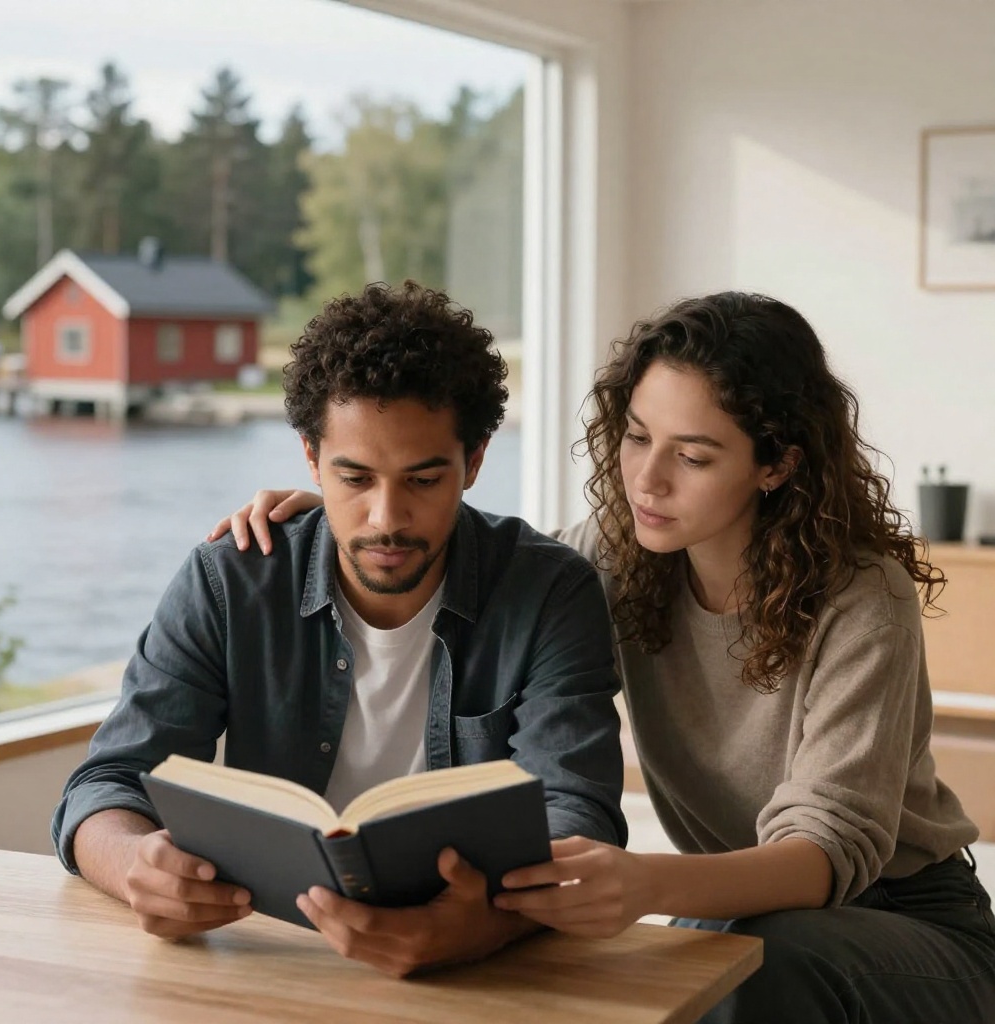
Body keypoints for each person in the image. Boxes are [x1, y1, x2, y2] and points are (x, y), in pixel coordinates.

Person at [216, 291, 995, 1021]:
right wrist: (350, 523)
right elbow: (493, 573)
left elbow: (827, 848)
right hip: (742, 911)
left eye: (693, 457)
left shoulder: (863, 596)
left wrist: (646, 883)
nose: (647, 480)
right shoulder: (615, 556)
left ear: (777, 464)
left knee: (752, 966)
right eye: (637, 436)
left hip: (905, 919)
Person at [53, 281, 627, 978]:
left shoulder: (550, 592)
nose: (386, 519)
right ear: (310, 458)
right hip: (272, 958)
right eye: (354, 479)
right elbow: (108, 782)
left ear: (474, 461)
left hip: (481, 974)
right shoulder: (230, 582)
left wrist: (487, 926)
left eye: (423, 481)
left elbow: (579, 815)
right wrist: (134, 866)